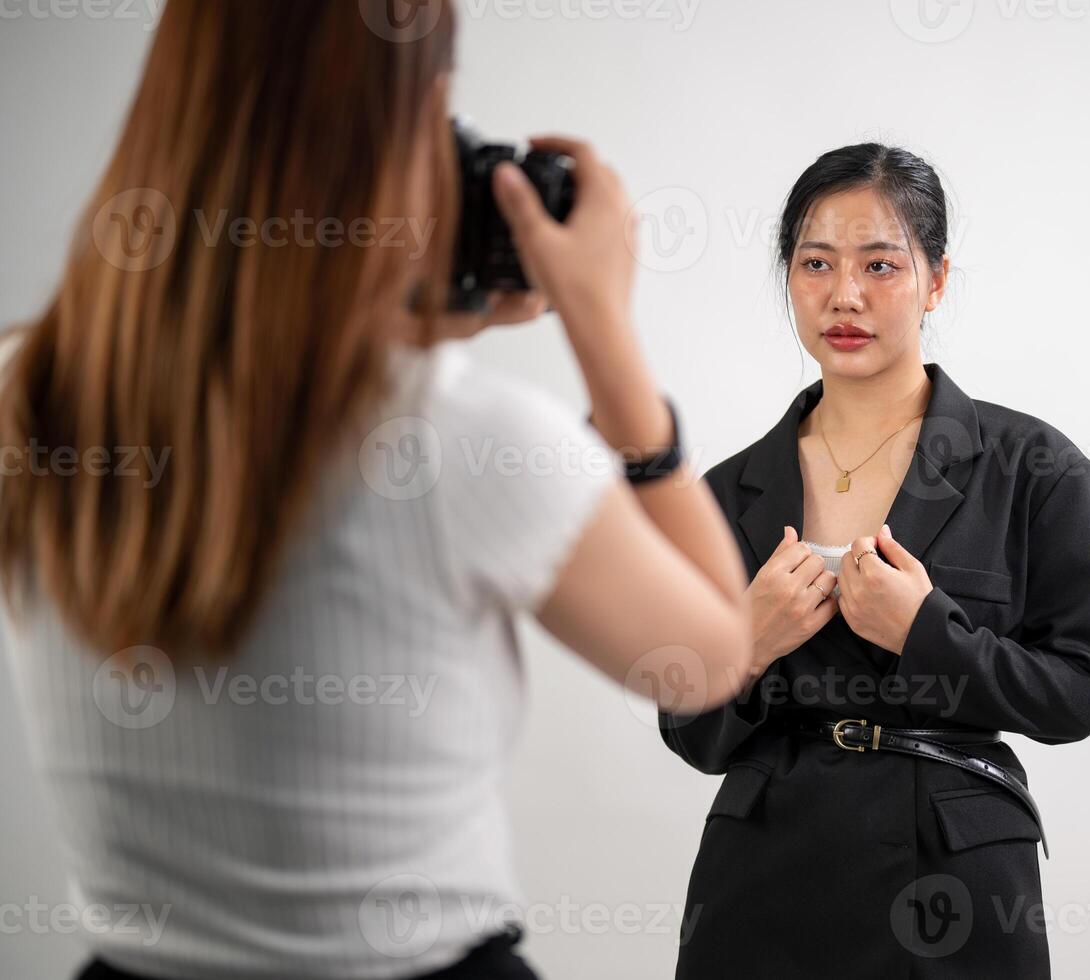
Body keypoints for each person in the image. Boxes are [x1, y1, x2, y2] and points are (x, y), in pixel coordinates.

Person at [0, 3, 752, 978]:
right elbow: (710, 658)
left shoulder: (22, 392)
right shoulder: (474, 441)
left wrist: (418, 336)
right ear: (405, 126)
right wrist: (605, 335)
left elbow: (252, 407)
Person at [658, 143, 1090, 978]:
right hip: (762, 877)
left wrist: (928, 635)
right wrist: (747, 643)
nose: (844, 295)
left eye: (880, 264)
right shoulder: (727, 492)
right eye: (815, 264)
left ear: (935, 280)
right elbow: (687, 731)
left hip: (955, 873)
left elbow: (1081, 692)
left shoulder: (1033, 466)